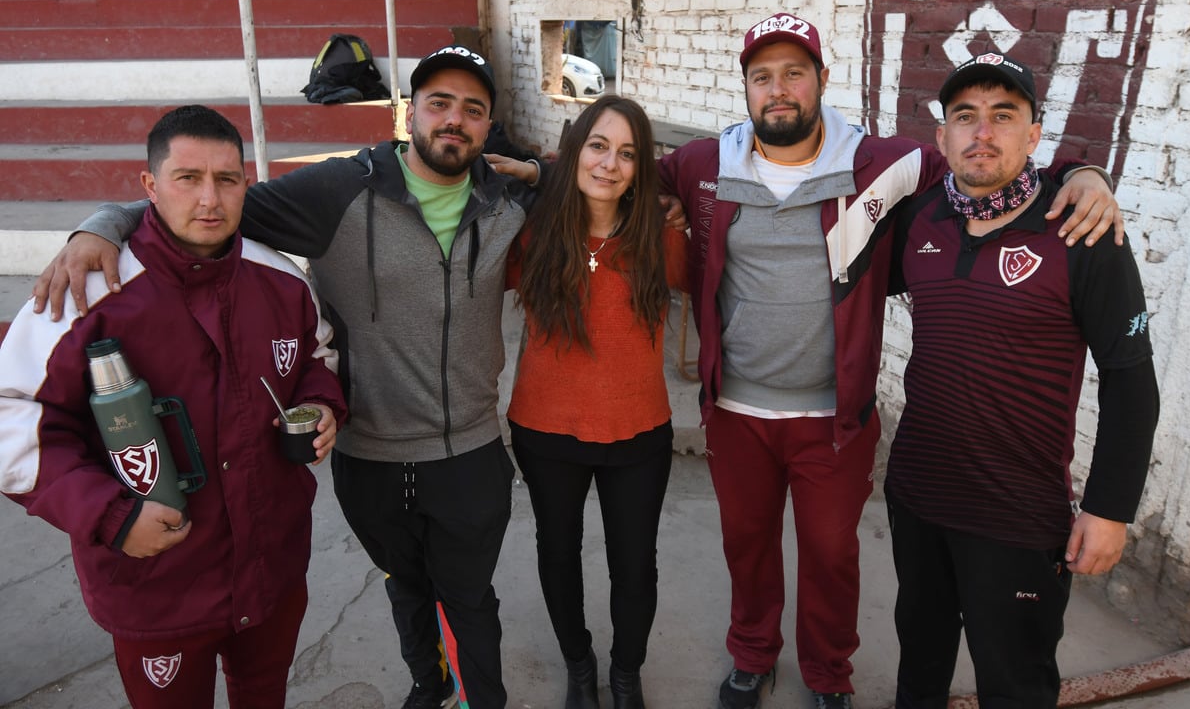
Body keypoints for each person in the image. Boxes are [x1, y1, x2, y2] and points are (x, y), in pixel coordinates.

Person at [30, 46, 540, 709]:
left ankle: (481, 701)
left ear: (487, 125)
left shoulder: (508, 203)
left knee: (469, 597)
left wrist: (533, 165)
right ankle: (429, 684)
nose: (454, 119)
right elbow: (205, 204)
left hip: (469, 451)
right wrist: (100, 224)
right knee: (403, 583)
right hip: (371, 456)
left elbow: (601, 175)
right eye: (438, 102)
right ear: (408, 111)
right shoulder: (338, 190)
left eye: (473, 109)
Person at [656, 13, 1124, 709]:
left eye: (793, 73)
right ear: (746, 89)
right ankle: (752, 654)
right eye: (762, 77)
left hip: (833, 418)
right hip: (735, 412)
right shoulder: (704, 163)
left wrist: (1082, 170)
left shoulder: (885, 161)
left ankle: (827, 675)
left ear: (820, 80)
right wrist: (540, 168)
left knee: (831, 558)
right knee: (746, 547)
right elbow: (624, 166)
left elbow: (986, 160)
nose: (777, 90)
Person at [0, 105, 346, 708]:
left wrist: (320, 406)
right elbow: (11, 416)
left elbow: (316, 360)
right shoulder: (83, 291)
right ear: (149, 186)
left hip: (272, 571)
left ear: (246, 184)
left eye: (227, 179)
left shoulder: (282, 279)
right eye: (188, 178)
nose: (209, 198)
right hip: (155, 584)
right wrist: (111, 517)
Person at [884, 52, 1158, 708]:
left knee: (1015, 683)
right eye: (965, 117)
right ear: (943, 136)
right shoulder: (920, 220)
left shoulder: (1083, 230)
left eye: (1003, 116)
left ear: (1033, 134)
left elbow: (1130, 378)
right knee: (918, 666)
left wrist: (1110, 509)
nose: (983, 133)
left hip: (1016, 517)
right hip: (916, 495)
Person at [505, 96, 688, 709]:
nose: (610, 163)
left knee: (634, 565)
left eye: (627, 153)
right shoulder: (529, 234)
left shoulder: (663, 238)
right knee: (558, 553)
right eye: (599, 146)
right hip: (546, 428)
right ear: (575, 151)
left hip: (639, 432)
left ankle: (626, 673)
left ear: (642, 169)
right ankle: (579, 665)